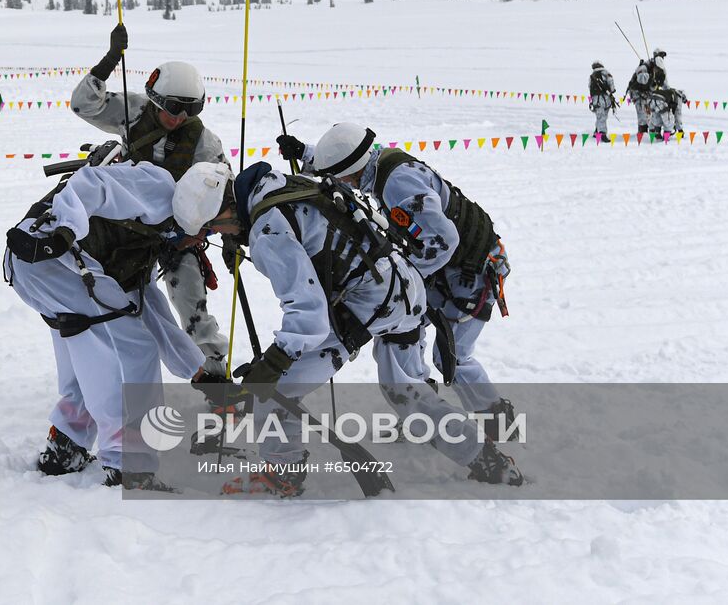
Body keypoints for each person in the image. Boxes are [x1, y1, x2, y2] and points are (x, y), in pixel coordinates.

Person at [170, 160, 523, 497]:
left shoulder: (267, 231)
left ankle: (282, 475)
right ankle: (488, 460)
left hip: (366, 306)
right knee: (407, 393)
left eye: (213, 228)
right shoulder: (283, 183)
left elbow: (307, 311)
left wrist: (275, 361)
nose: (216, 235)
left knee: (273, 391)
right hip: (405, 286)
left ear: (224, 211)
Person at [278, 125, 514, 431]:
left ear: (352, 170)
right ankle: (423, 411)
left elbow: (445, 239)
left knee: (453, 358)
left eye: (339, 177)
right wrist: (306, 155)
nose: (339, 184)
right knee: (404, 333)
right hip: (442, 268)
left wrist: (403, 279)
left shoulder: (398, 184)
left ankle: (497, 421)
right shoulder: (377, 163)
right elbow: (346, 159)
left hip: (472, 272)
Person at [4, 159, 206, 491]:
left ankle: (65, 445)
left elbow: (145, 302)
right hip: (46, 254)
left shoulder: (153, 236)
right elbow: (92, 183)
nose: (199, 242)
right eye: (204, 233)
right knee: (132, 351)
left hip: (44, 267)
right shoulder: (160, 188)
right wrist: (65, 229)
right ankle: (131, 465)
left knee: (92, 350)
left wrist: (194, 366)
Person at [70, 24, 230, 379]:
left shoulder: (204, 143)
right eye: (173, 107)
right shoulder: (135, 111)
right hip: (122, 228)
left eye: (190, 109)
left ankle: (216, 370)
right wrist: (110, 60)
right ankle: (109, 363)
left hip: (175, 232)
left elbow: (221, 192)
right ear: (156, 99)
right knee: (107, 292)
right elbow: (83, 104)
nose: (179, 118)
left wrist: (217, 236)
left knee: (191, 304)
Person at [588, 60, 616, 138]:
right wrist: (612, 90)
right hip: (606, 98)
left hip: (596, 99)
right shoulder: (606, 73)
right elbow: (611, 83)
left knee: (600, 116)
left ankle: (597, 131)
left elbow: (590, 87)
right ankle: (602, 134)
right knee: (603, 117)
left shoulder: (592, 76)